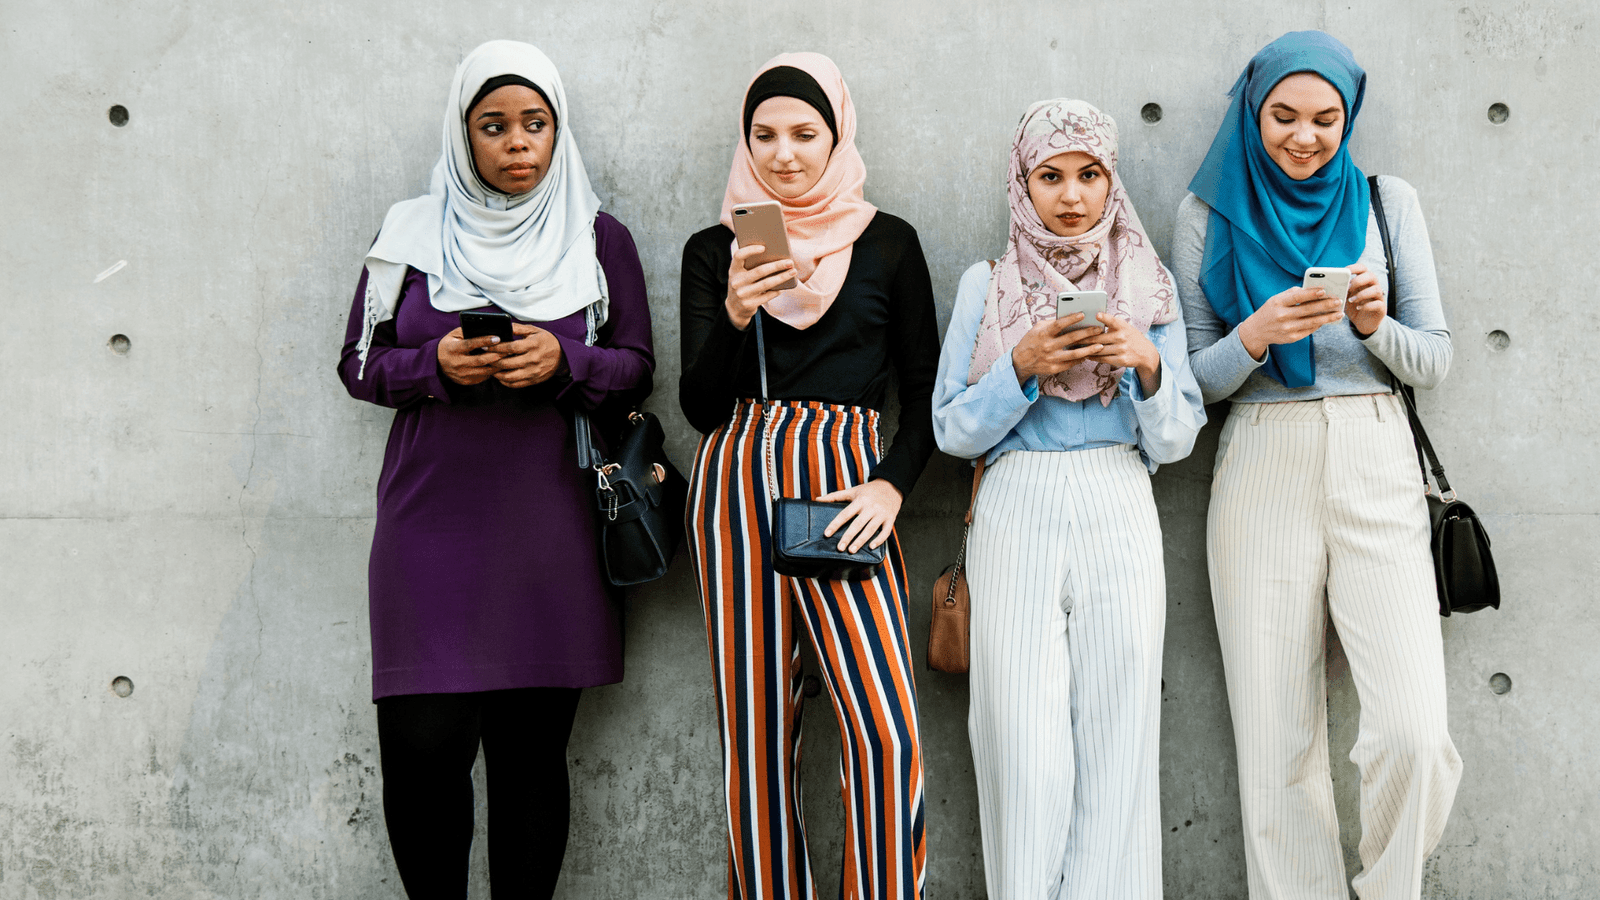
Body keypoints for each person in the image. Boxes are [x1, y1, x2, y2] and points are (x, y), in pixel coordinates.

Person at [336, 40, 653, 899]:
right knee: (421, 754)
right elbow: (358, 366)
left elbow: (637, 366)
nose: (519, 143)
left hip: (549, 529)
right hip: (428, 528)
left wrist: (564, 362)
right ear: (463, 135)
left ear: (558, 133)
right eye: (494, 126)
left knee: (529, 760)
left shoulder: (596, 237)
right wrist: (435, 363)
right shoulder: (407, 233)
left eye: (536, 124)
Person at [1172, 30, 1461, 900]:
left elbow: (1436, 359)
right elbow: (1191, 385)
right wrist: (1256, 336)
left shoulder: (1385, 200)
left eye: (1326, 118)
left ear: (1349, 116)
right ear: (1252, 112)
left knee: (1414, 730)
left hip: (1377, 451)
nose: (1305, 136)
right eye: (1283, 116)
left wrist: (1375, 329)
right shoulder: (1207, 212)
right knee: (1276, 742)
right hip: (1261, 454)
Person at [678, 52, 938, 900]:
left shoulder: (889, 242)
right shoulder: (715, 248)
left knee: (885, 735)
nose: (784, 154)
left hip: (848, 491)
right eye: (764, 135)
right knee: (757, 741)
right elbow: (699, 406)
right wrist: (736, 313)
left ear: (837, 135)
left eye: (804, 133)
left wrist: (893, 485)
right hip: (738, 486)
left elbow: (926, 392)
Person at [931, 99, 1204, 899]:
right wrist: (1019, 367)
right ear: (1022, 183)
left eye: (1090, 174)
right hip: (1016, 505)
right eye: (1050, 175)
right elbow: (952, 429)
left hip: (1120, 497)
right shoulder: (985, 284)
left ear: (1112, 181)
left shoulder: (1148, 286)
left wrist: (1146, 364)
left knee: (1120, 734)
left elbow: (1178, 438)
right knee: (1019, 738)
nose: (1072, 194)